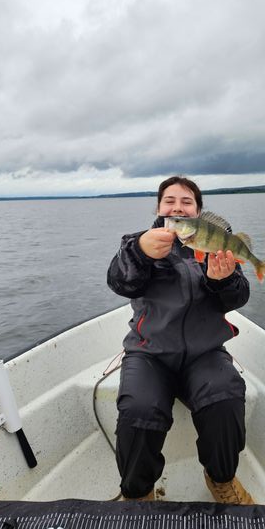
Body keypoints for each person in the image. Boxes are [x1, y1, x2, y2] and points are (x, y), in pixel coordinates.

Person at [107, 176, 254, 504]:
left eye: (187, 202)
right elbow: (119, 282)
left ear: (198, 211)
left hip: (205, 352)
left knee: (225, 395)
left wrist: (222, 281)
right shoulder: (138, 244)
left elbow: (238, 297)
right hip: (150, 353)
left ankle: (221, 480)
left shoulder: (216, 247)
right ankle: (137, 494)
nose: (178, 207)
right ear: (159, 209)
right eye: (169, 201)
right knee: (138, 409)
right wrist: (140, 253)